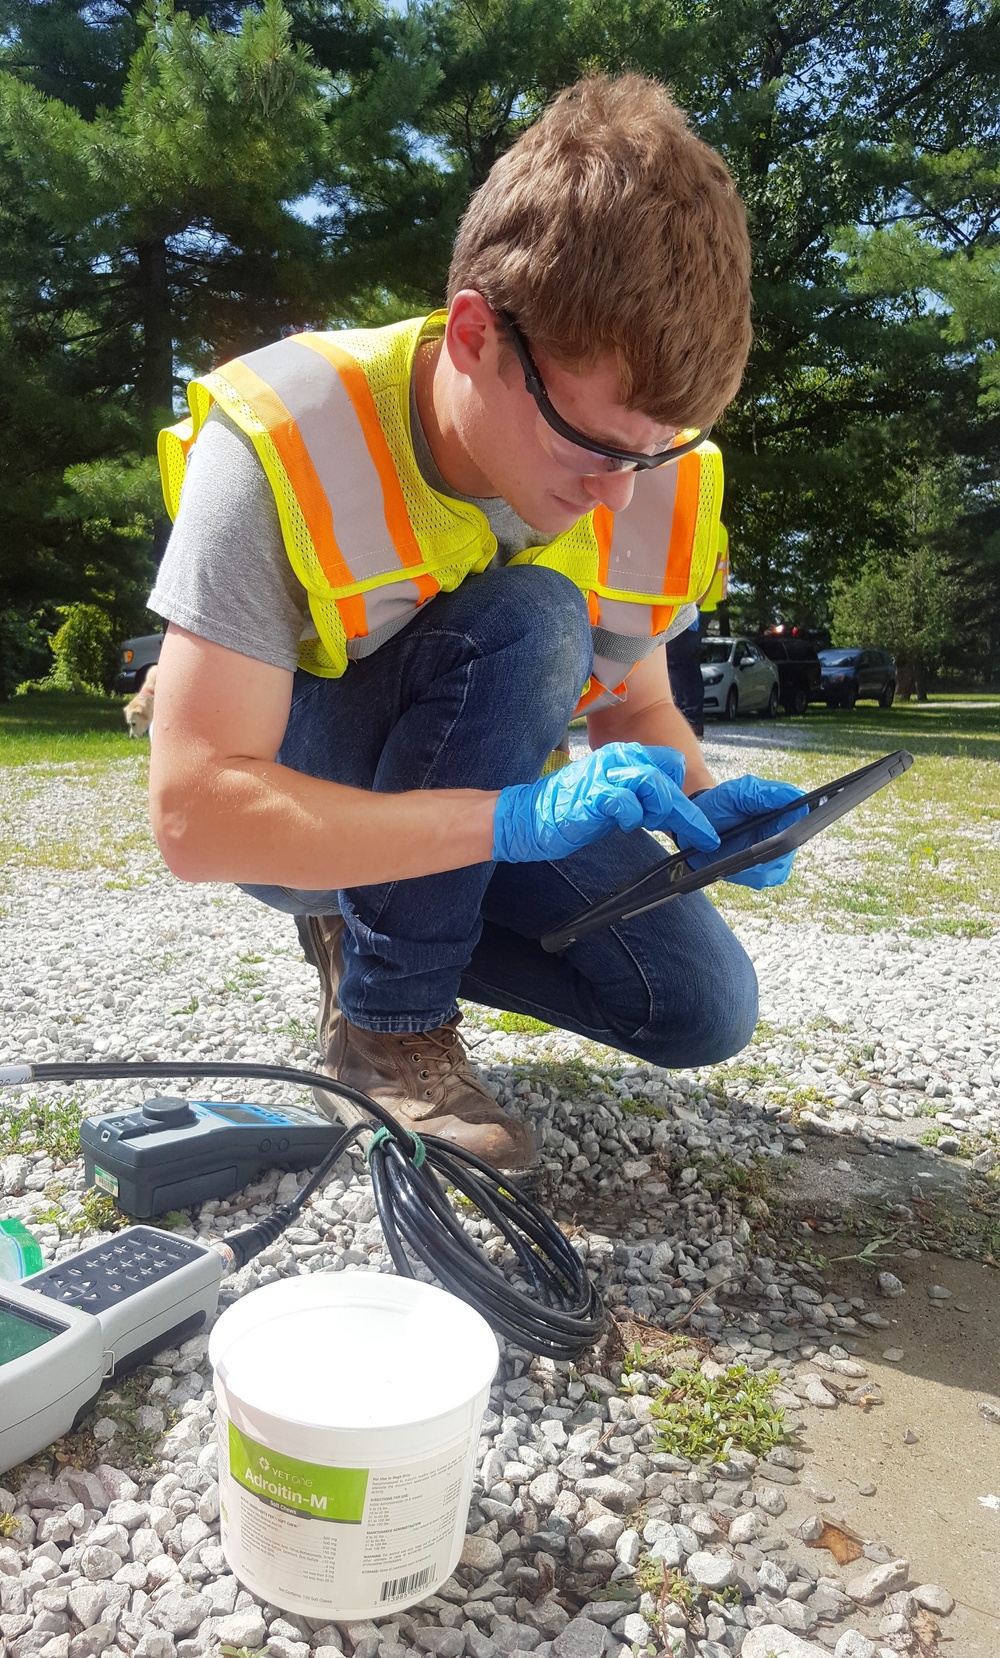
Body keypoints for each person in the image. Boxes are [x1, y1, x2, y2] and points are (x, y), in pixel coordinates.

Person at [148, 74, 804, 1173]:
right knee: (535, 618)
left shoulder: (648, 475)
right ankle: (388, 1031)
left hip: (489, 802)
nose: (623, 496)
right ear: (473, 336)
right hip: (313, 812)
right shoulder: (285, 440)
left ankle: (387, 933)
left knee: (700, 1004)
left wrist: (704, 807)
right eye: (597, 446)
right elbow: (196, 815)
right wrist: (506, 823)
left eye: (657, 452)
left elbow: (637, 704)